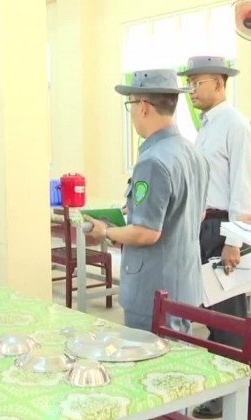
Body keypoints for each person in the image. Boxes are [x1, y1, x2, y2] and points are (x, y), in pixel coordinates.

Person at [85, 69, 210, 333]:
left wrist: (105, 231)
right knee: (178, 355)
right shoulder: (194, 154)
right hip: (184, 286)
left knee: (150, 355)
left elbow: (146, 232)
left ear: (143, 107)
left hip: (154, 290)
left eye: (130, 105)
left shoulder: (153, 160)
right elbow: (196, 214)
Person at [178, 56, 251, 419]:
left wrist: (234, 241)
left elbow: (244, 187)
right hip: (203, 228)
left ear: (220, 84)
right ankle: (218, 391)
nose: (192, 90)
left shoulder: (235, 125)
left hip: (223, 230)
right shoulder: (207, 127)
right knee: (210, 315)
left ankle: (231, 398)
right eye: (190, 83)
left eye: (198, 83)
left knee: (228, 322)